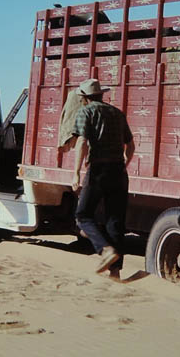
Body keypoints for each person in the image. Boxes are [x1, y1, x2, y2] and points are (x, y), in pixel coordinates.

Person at [71, 79, 135, 280]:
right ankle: (115, 272)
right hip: (118, 170)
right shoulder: (117, 113)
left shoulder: (86, 112)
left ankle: (105, 250)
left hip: (98, 168)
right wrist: (123, 165)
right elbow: (131, 146)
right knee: (114, 221)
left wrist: (76, 173)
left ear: (84, 98)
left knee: (83, 216)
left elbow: (81, 142)